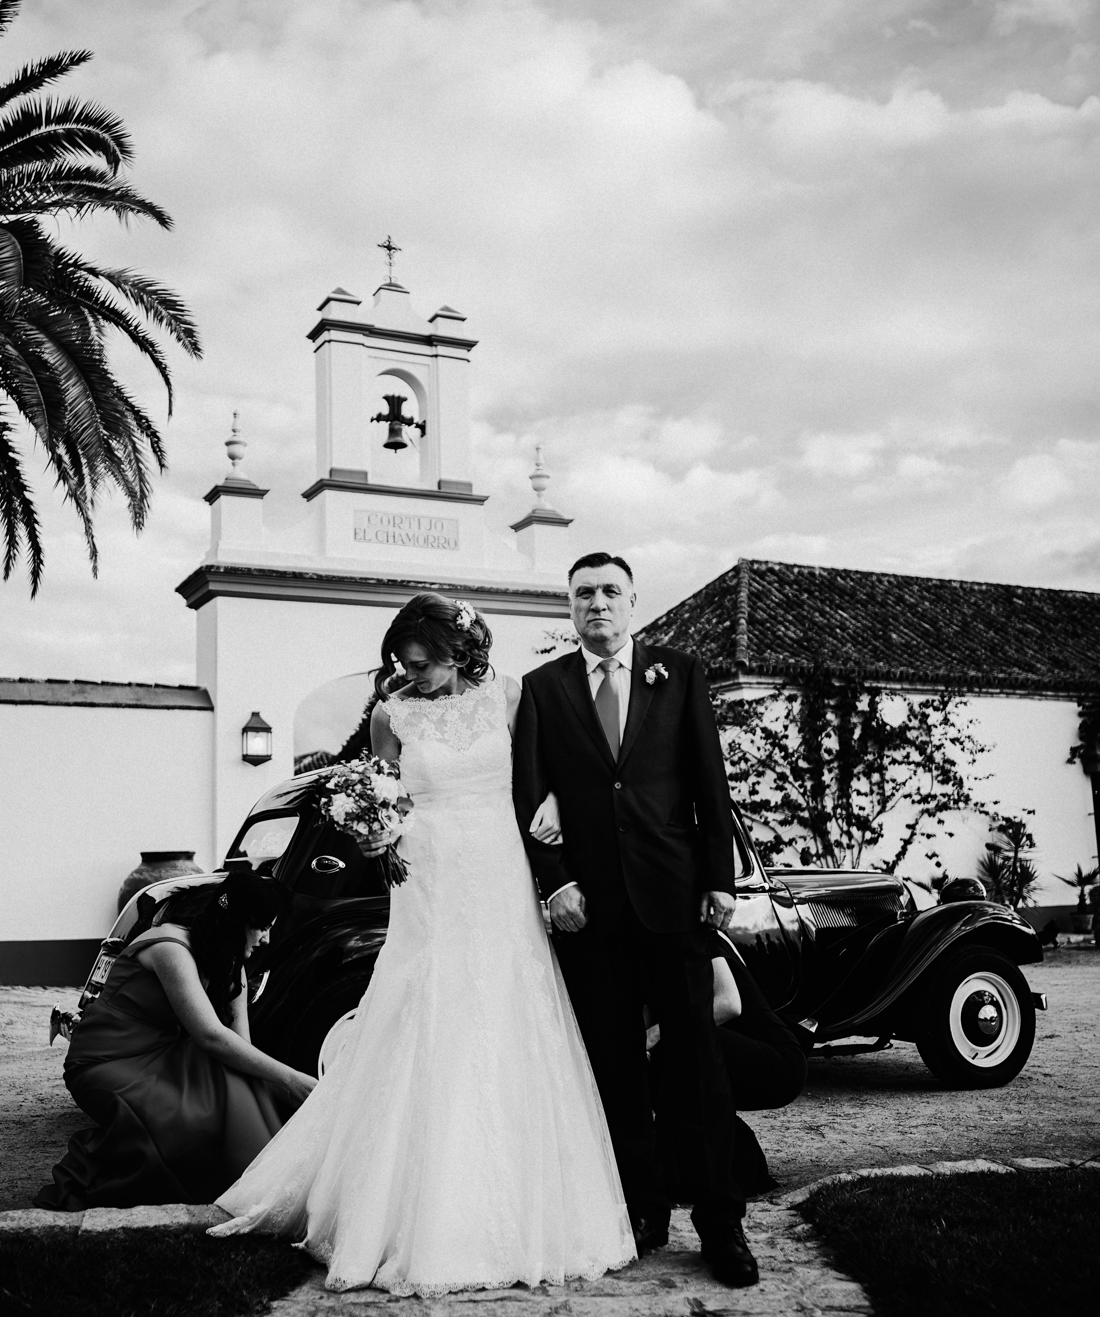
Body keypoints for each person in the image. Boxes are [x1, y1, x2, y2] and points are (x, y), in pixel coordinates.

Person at [211, 594, 636, 1294]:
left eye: (425, 662)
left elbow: (543, 776)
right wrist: (376, 835)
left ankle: (515, 1208)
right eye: (403, 664)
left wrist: (557, 822)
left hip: (498, 869)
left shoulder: (510, 694)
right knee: (425, 1007)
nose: (415, 675)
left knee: (504, 1008)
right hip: (427, 878)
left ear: (458, 649)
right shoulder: (390, 713)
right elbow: (386, 794)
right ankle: (402, 1205)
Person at [514, 551, 759, 1288]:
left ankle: (722, 1224)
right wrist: (554, 883)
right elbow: (529, 797)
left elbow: (708, 781)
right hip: (591, 912)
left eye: (609, 592)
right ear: (570, 607)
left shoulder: (679, 673)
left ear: (632, 602)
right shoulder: (541, 689)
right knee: (615, 1069)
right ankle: (642, 1211)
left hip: (673, 900)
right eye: (583, 593)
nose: (596, 603)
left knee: (698, 1069)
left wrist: (720, 876)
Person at [34, 870, 316, 1210]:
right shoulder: (171, 947)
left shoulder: (232, 962)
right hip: (105, 1061)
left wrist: (291, 1096)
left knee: (232, 1083)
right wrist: (291, 1078)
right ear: (238, 919)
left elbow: (240, 1045)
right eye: (263, 926)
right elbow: (210, 1036)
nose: (267, 939)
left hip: (160, 1056)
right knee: (187, 1124)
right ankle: (95, 1168)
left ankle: (257, 1179)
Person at [652, 936, 807, 1201]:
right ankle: (691, 1169)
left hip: (777, 1062)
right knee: (661, 1058)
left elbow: (729, 1004)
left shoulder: (696, 934)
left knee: (676, 1044)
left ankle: (734, 1169)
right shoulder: (648, 947)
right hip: (734, 1055)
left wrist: (656, 1034)